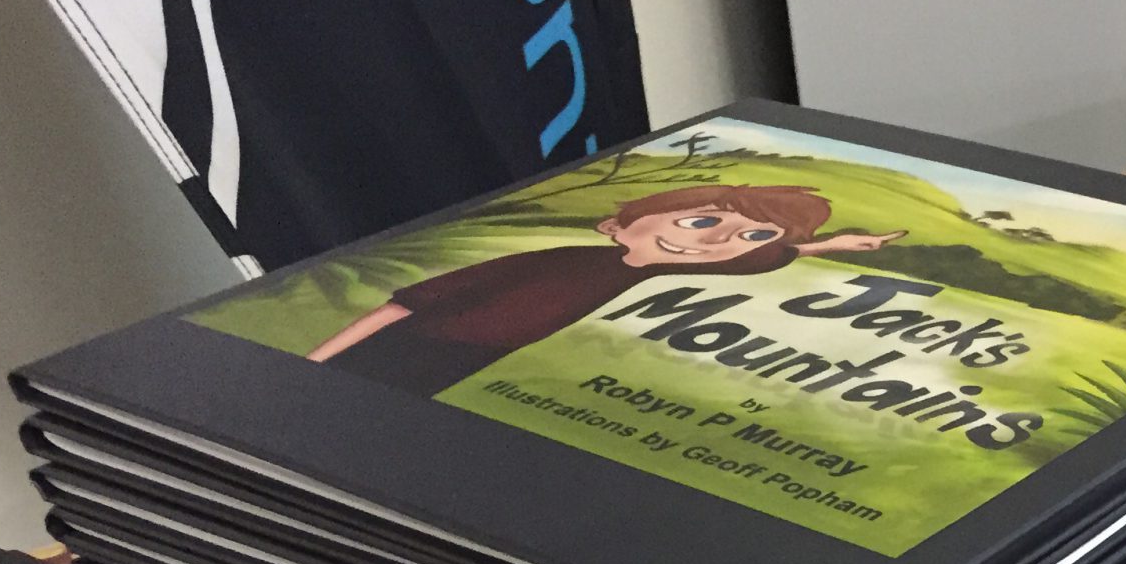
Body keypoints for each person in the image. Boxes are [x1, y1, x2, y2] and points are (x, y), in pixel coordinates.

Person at [303, 184, 904, 397]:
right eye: (699, 221)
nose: (715, 241)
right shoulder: (561, 259)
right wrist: (311, 362)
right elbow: (401, 306)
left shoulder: (661, 275)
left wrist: (835, 245)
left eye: (750, 234)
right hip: (427, 339)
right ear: (614, 224)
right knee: (342, 396)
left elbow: (771, 255)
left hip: (477, 360)